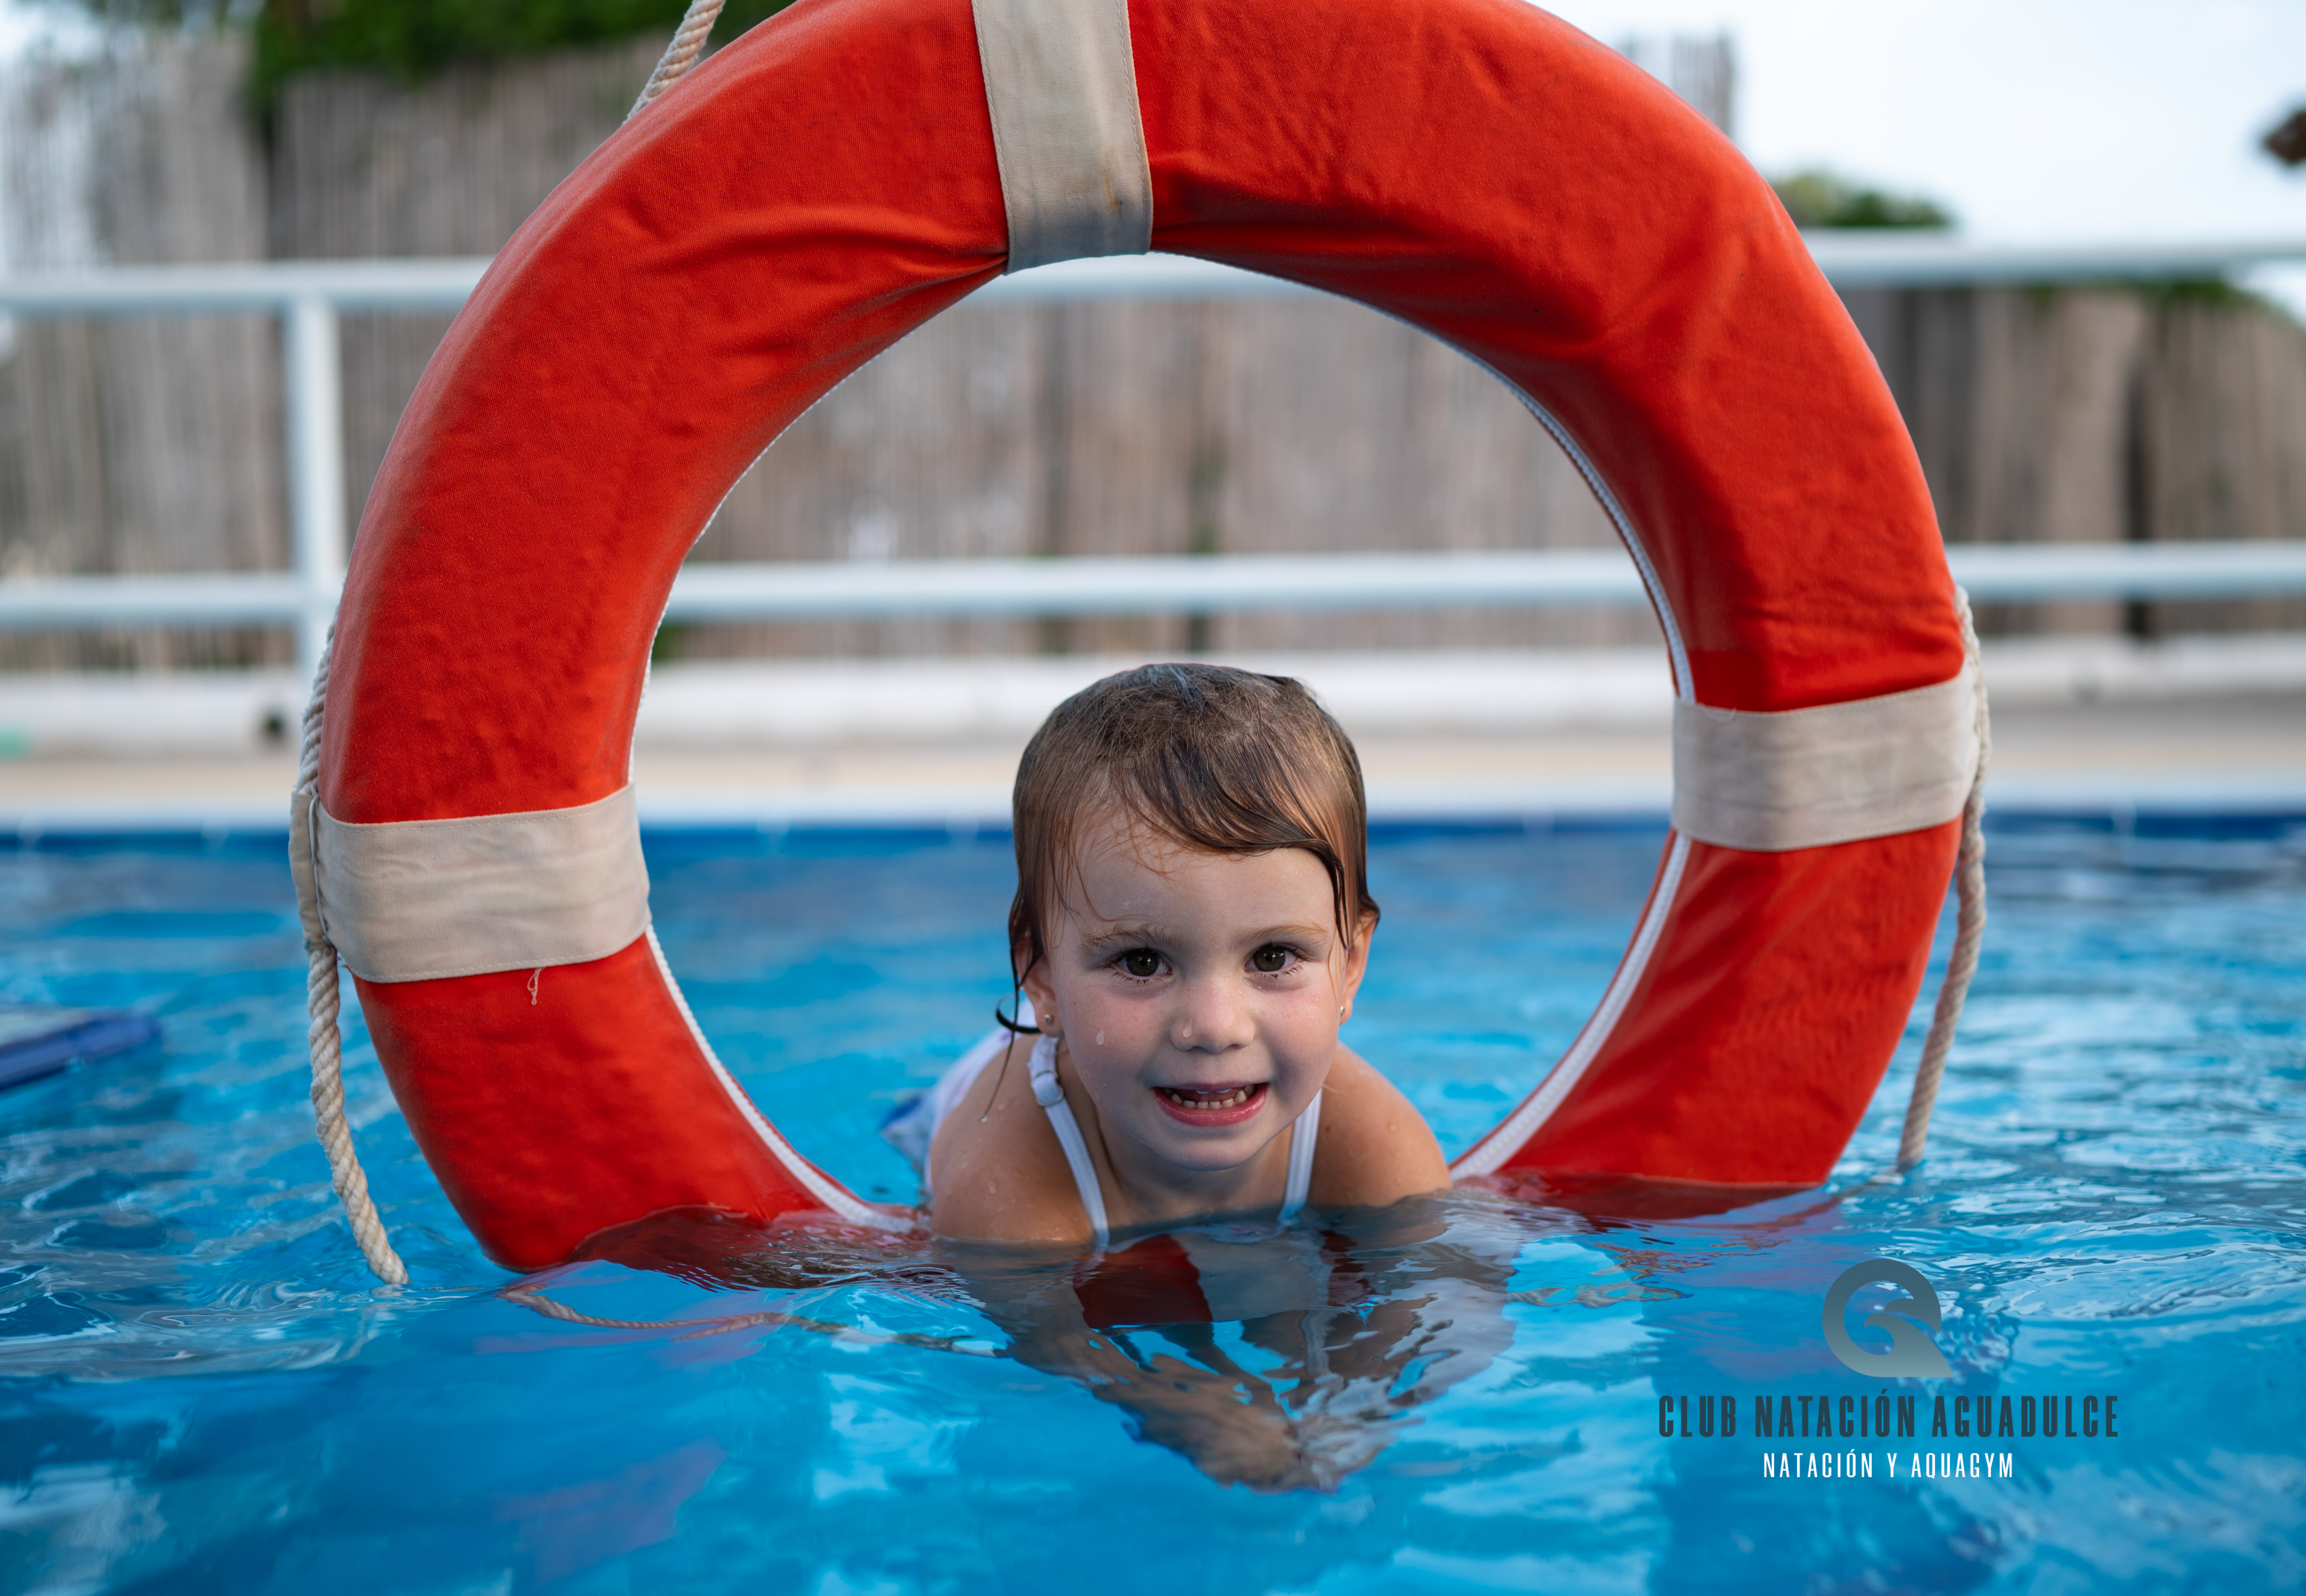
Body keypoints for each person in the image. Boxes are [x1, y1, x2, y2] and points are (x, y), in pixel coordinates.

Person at [884, 661, 1450, 1247]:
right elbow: (1043, 1339)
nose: (1214, 1027)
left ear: (1350, 964)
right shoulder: (1002, 1186)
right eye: (1143, 962)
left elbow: (1442, 1321)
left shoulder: (1377, 1149)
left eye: (1272, 956)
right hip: (984, 1089)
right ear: (1043, 974)